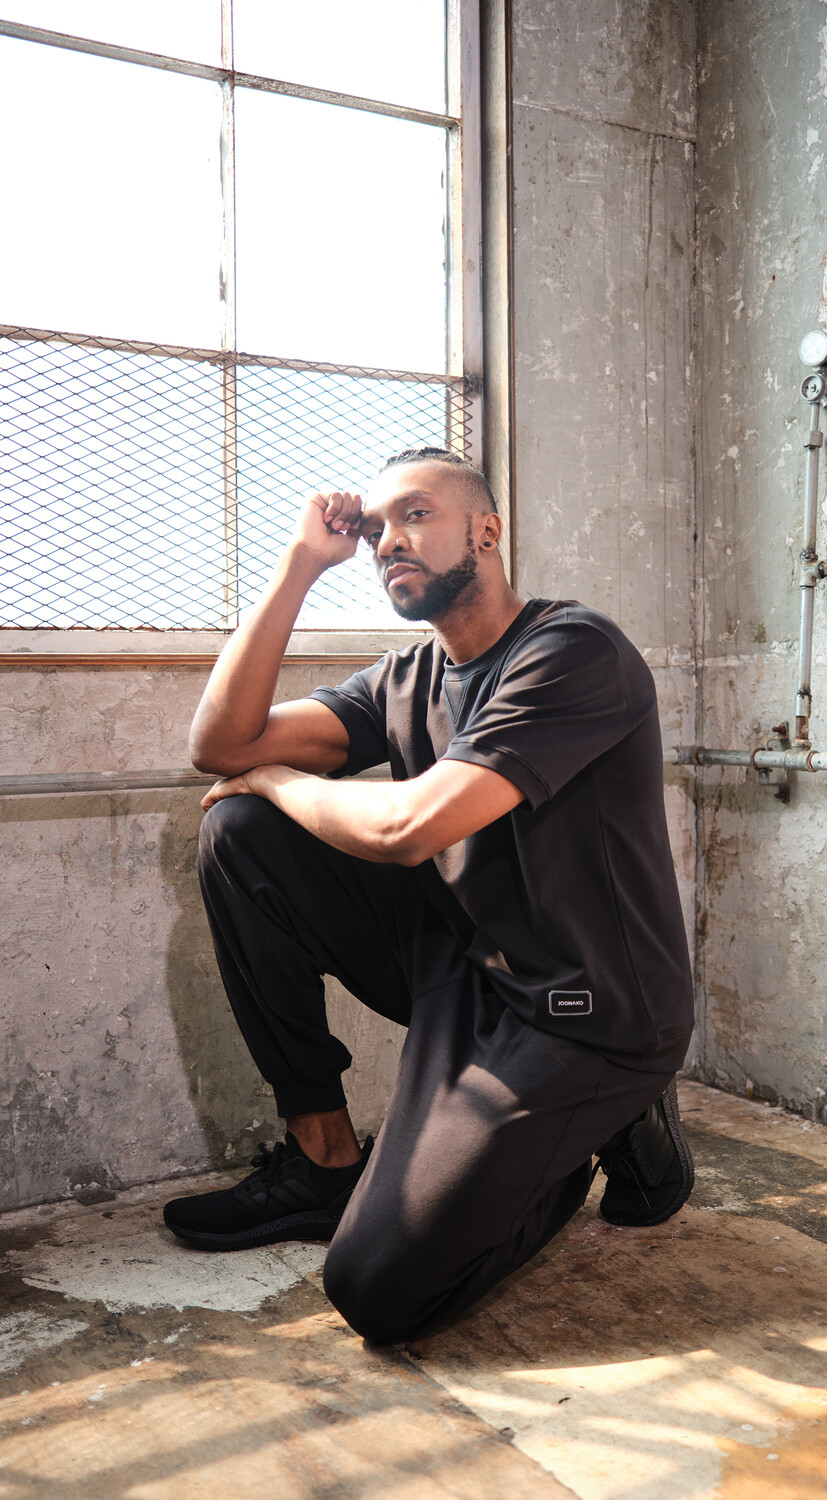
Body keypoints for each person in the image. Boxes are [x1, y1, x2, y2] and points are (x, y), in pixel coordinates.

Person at [163, 447, 695, 1344]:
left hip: (587, 1010)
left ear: (487, 530)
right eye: (376, 529)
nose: (387, 541)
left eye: (415, 515)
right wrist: (299, 565)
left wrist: (279, 780)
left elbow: (408, 828)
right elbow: (219, 746)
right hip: (468, 972)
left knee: (375, 1289)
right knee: (240, 833)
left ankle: (588, 1130)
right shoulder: (405, 680)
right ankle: (323, 1161)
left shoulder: (574, 652)